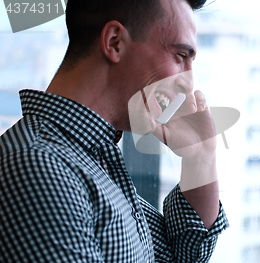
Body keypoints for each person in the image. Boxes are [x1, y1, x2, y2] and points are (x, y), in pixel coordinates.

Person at [0, 0, 228, 262]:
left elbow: (184, 256)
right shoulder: (40, 169)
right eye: (180, 56)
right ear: (114, 42)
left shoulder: (93, 161)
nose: (188, 85)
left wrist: (200, 156)